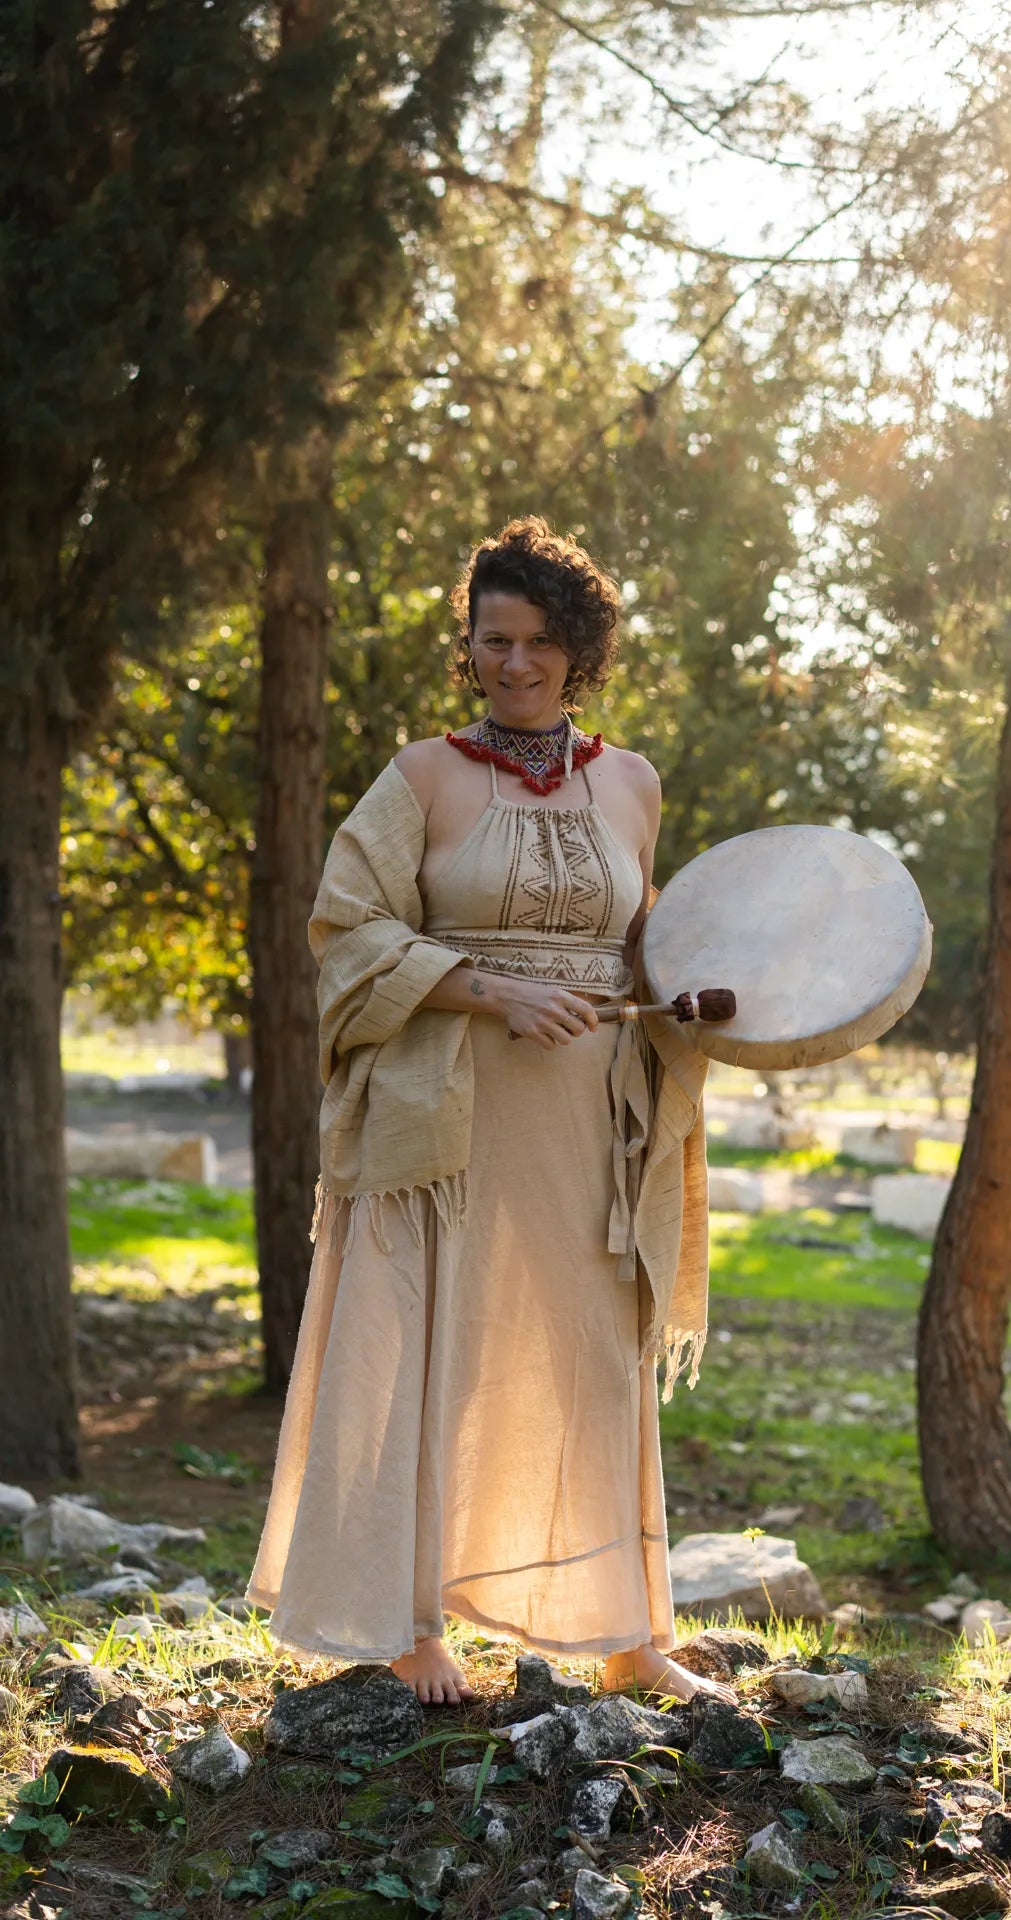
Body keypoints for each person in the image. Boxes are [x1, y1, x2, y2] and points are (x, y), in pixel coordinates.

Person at [245, 517, 734, 1708]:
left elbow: (640, 946)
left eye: (537, 641)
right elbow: (346, 932)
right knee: (431, 1342)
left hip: (588, 1110)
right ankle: (413, 1623)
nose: (513, 663)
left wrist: (692, 998)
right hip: (442, 1108)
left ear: (579, 649)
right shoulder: (419, 777)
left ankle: (627, 1630)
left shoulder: (631, 784)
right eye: (491, 640)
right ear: (468, 648)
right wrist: (491, 990)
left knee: (591, 1349)